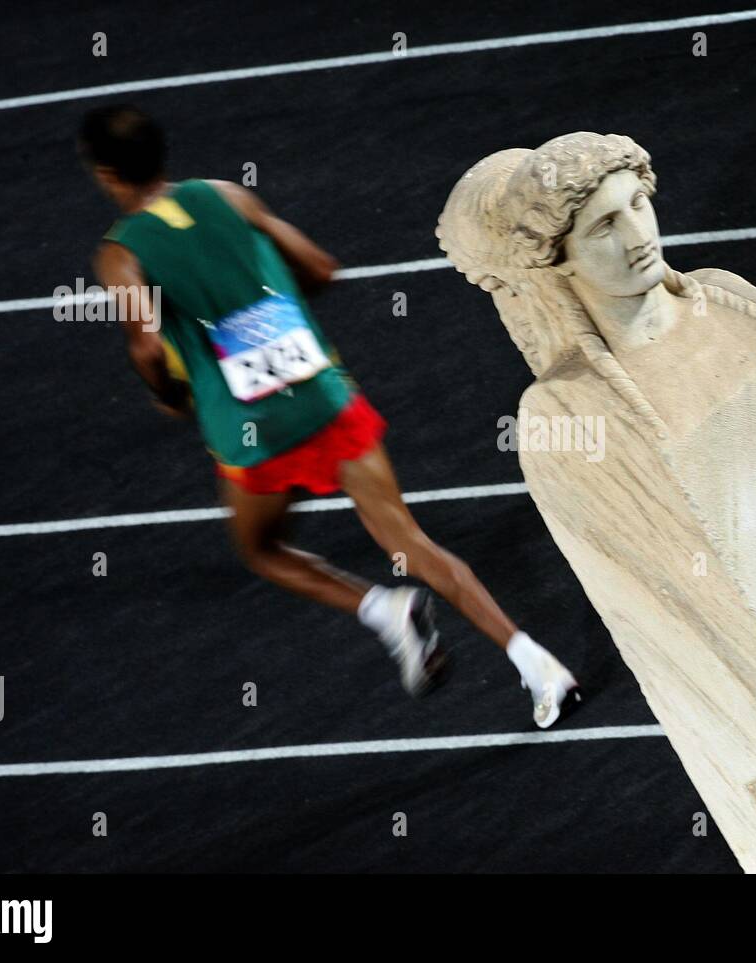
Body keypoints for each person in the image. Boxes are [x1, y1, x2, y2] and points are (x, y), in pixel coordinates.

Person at [80, 104, 579, 728]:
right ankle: (536, 663)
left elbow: (147, 344)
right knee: (408, 539)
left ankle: (382, 608)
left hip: (251, 431)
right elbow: (318, 266)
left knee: (262, 548)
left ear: (104, 174)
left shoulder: (120, 254)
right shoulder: (226, 196)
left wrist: (170, 394)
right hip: (324, 395)